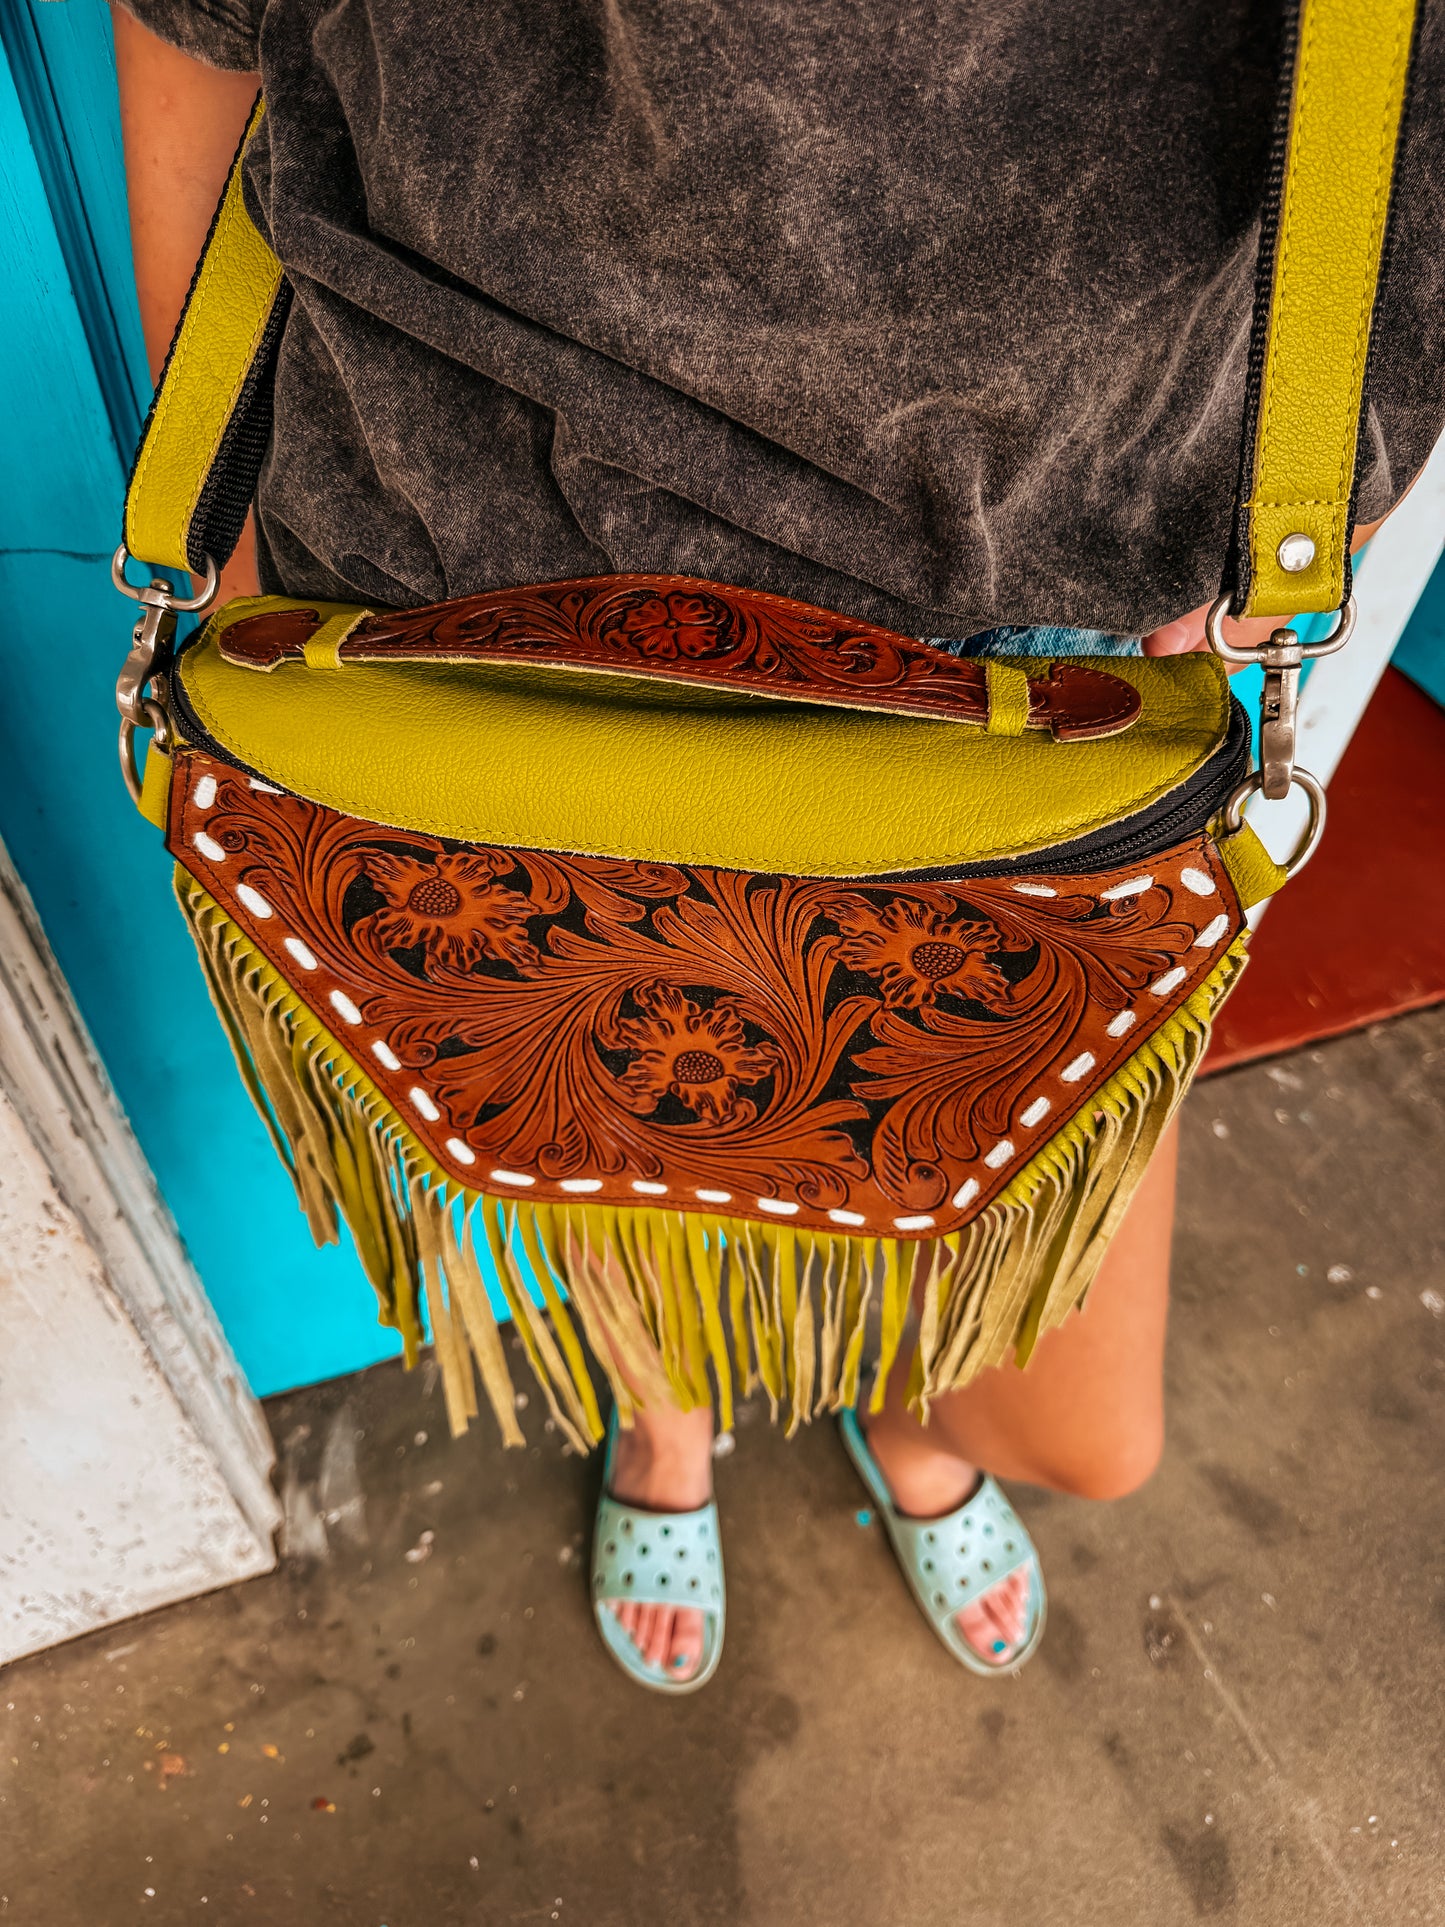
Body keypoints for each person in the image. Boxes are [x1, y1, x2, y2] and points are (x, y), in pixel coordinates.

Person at [114, 0, 1444, 1689]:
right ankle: (670, 1425)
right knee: (583, 1129)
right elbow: (194, 16)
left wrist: (1322, 505)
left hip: (1058, 655)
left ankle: (903, 1394)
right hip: (452, 583)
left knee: (1038, 1335)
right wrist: (208, 503)